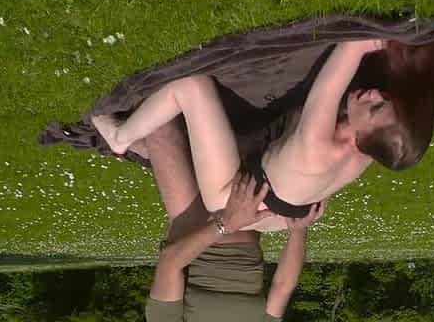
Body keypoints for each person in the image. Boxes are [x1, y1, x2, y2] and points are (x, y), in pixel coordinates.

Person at [93, 38, 434, 232]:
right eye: (383, 98)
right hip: (278, 204)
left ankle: (120, 138)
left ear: (364, 138)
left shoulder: (316, 145)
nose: (372, 95)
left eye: (375, 108)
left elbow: (352, 48)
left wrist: (385, 38)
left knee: (192, 88)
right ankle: (149, 145)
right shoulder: (377, 148)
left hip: (232, 190)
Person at [139, 121, 325, 321]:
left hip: (193, 225)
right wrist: (297, 232)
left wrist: (225, 224)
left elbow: (170, 263)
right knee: (308, 195)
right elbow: (283, 286)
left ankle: (138, 143)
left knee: (161, 131)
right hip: (247, 220)